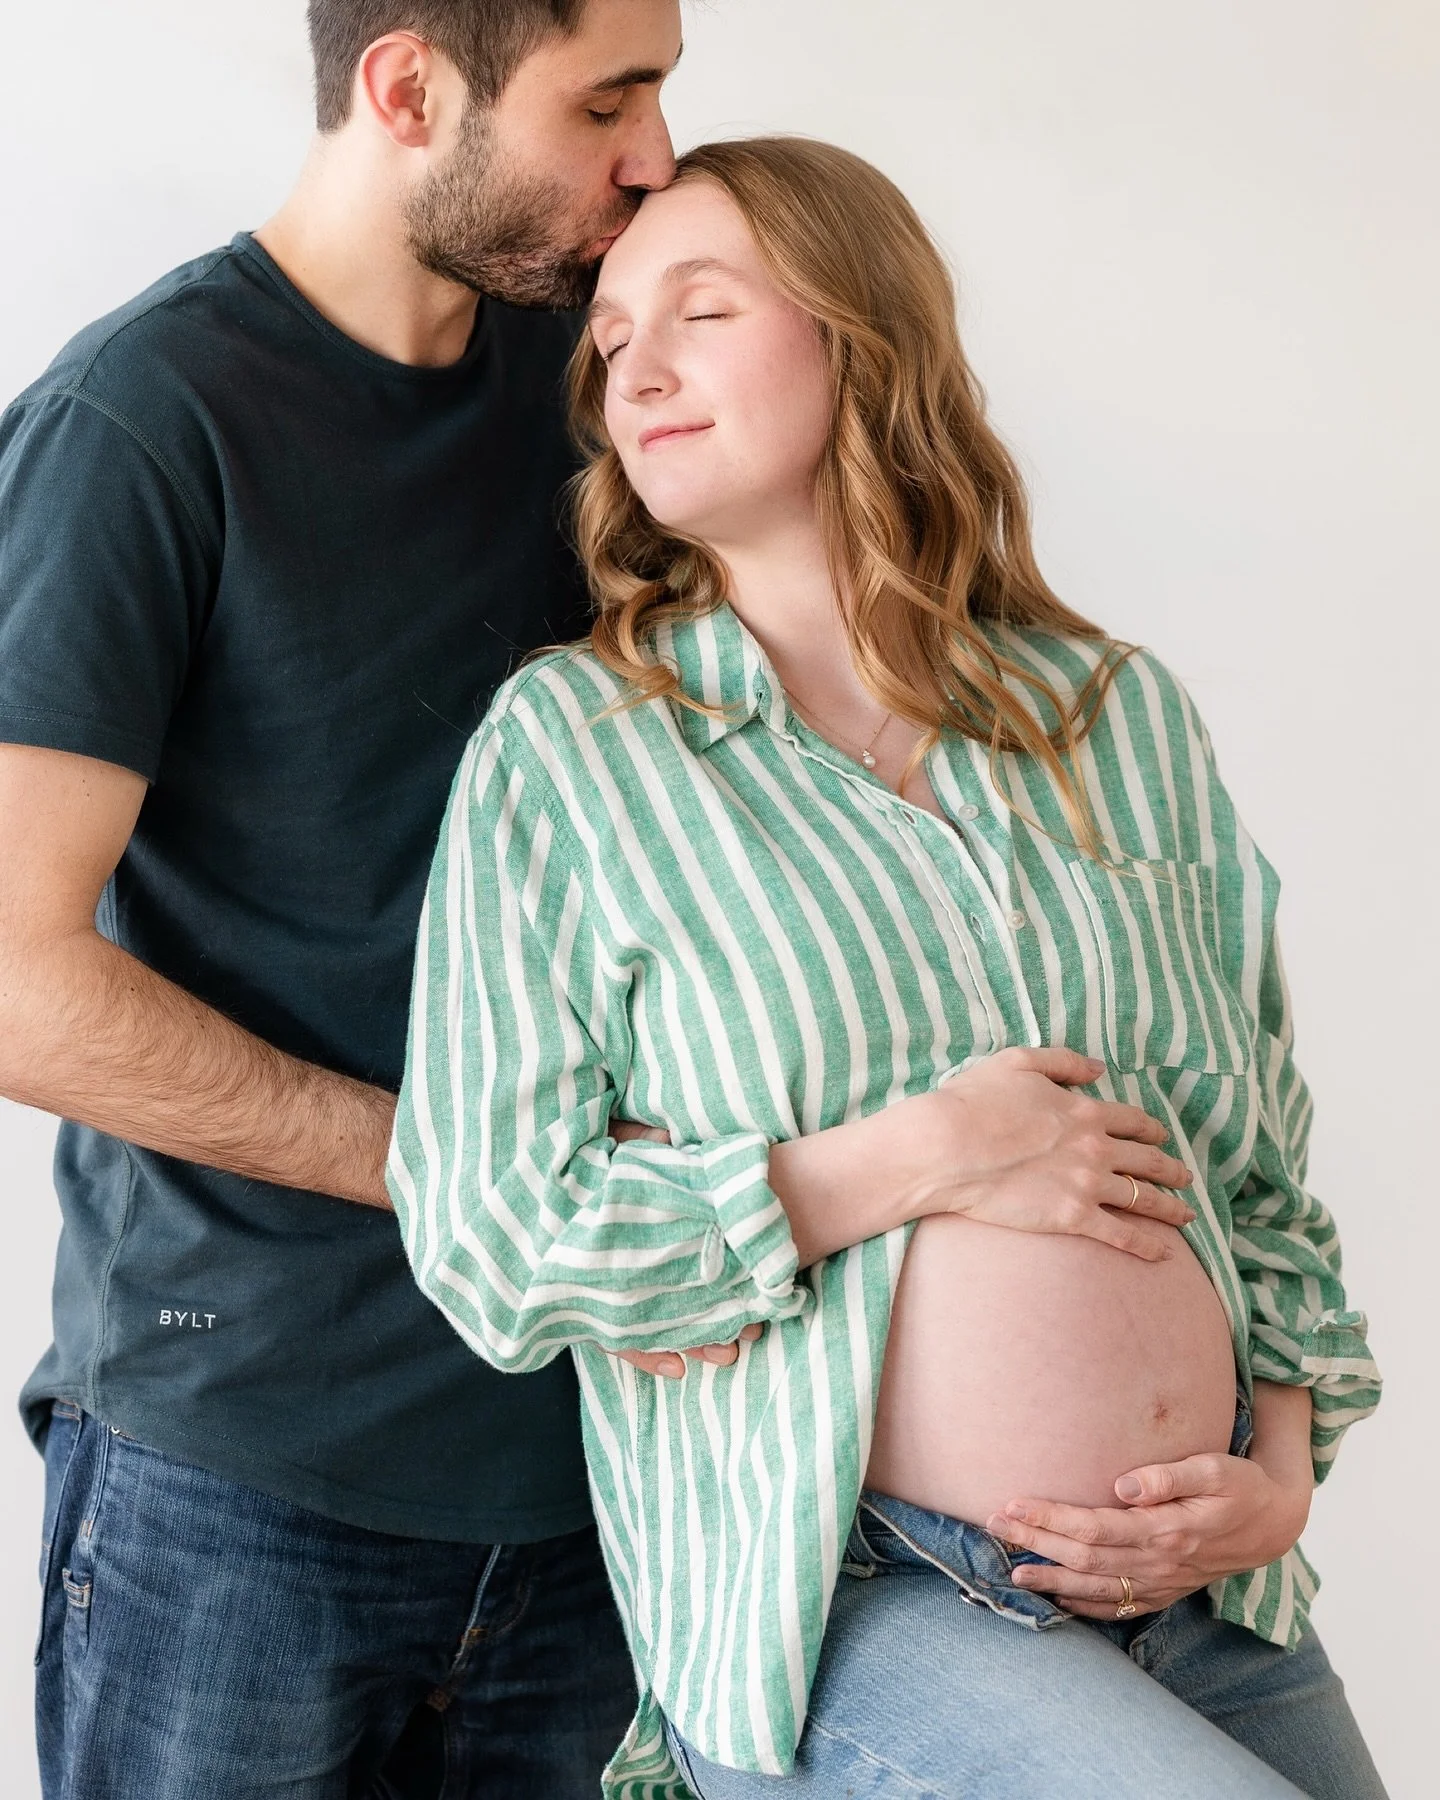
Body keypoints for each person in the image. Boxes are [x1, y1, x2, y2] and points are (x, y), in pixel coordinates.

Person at [389, 137, 1386, 1800]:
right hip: (851, 1601)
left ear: (860, 333)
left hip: (1210, 1581)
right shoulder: (576, 755)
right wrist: (912, 1158)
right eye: (614, 336)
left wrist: (1276, 1473)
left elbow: (1256, 1156)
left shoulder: (1109, 718)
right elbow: (494, 1231)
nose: (636, 366)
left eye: (700, 310)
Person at [0, 2, 689, 1794]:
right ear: (407, 88)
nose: (656, 159)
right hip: (238, 1484)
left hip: (614, 1459)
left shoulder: (610, 383)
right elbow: (8, 973)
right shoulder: (138, 423)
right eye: (605, 100)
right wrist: (445, 1162)